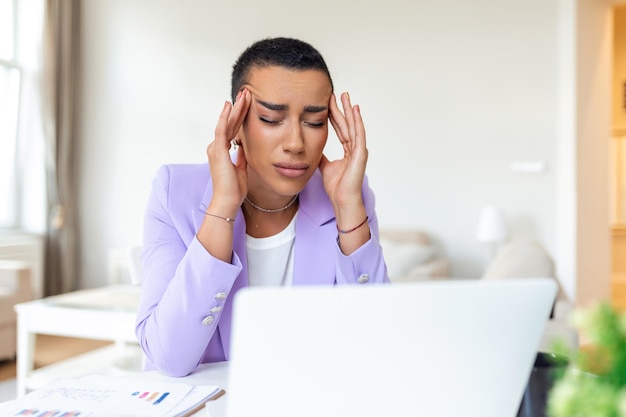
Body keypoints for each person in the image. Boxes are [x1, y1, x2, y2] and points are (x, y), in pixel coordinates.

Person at [135, 37, 390, 377]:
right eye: (271, 119)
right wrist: (222, 208)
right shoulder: (173, 193)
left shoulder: (349, 196)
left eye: (314, 122)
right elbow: (169, 358)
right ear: (237, 124)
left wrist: (348, 207)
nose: (296, 144)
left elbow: (380, 344)